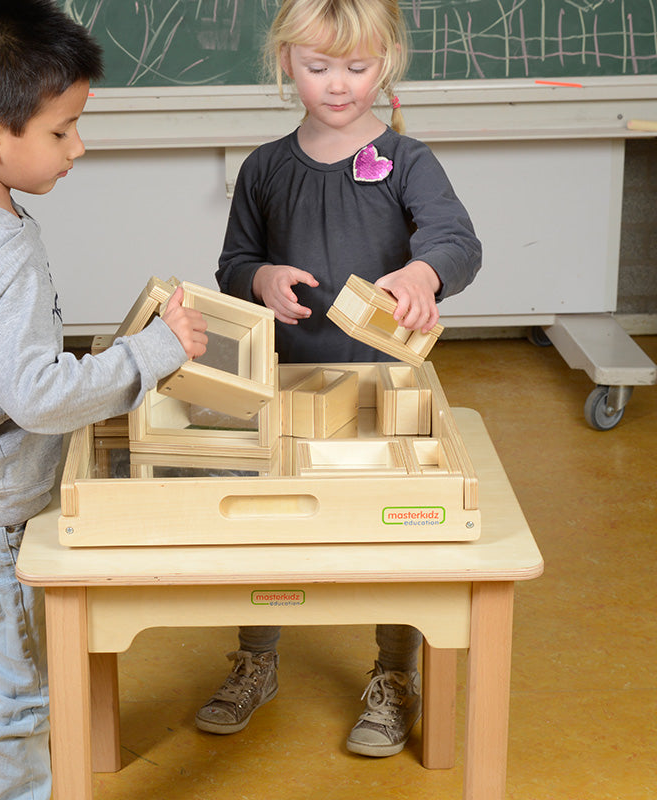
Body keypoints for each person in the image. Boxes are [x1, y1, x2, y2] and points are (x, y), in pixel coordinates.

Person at [0, 2, 208, 798]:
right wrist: (151, 354)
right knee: (19, 687)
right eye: (62, 131)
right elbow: (32, 395)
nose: (79, 148)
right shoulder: (8, 250)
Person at [196, 0, 481, 759]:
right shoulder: (264, 166)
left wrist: (425, 272)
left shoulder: (409, 161)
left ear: (385, 61)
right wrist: (260, 279)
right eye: (319, 66)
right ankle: (258, 658)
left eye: (356, 67)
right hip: (286, 379)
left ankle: (394, 674)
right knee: (265, 521)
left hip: (383, 382)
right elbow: (231, 264)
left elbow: (457, 241)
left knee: (394, 529)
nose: (338, 84)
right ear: (286, 61)